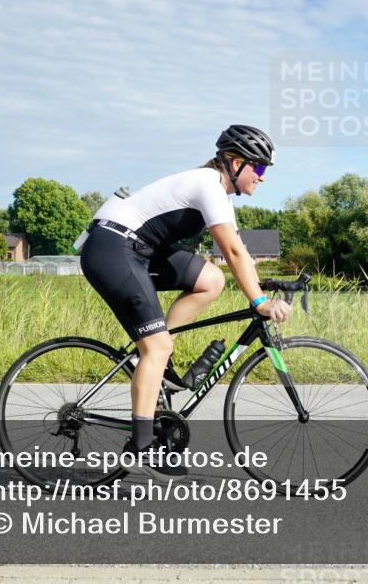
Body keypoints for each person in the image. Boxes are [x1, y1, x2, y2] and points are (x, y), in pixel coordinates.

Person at [78, 125, 292, 479]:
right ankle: (141, 445)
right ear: (235, 163)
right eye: (259, 167)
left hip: (138, 249)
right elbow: (232, 251)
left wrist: (262, 284)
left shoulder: (215, 190)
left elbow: (239, 251)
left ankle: (159, 365)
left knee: (211, 280)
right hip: (112, 249)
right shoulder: (209, 185)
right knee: (156, 346)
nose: (262, 176)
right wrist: (259, 300)